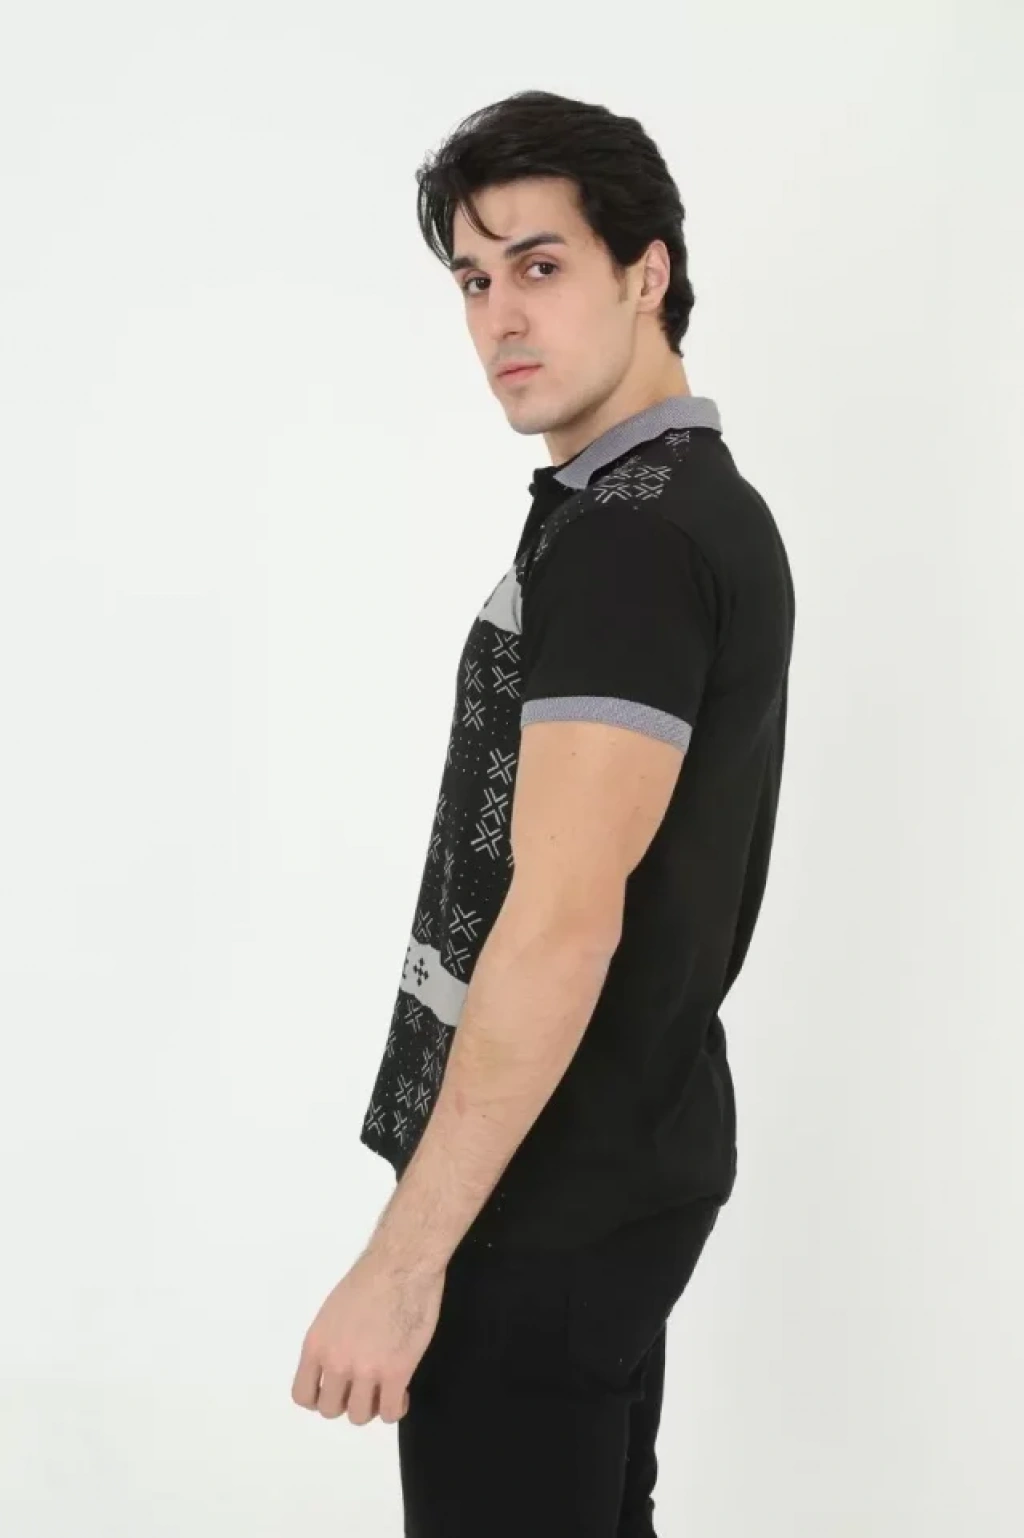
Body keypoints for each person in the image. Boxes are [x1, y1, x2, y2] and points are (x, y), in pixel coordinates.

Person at [291, 88, 796, 1537]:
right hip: (620, 1162)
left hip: (545, 1196)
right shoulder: (673, 503)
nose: (500, 315)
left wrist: (404, 1261)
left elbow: (564, 921)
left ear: (647, 270)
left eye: (541, 263)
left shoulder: (632, 538)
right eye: (472, 278)